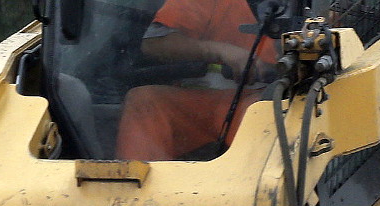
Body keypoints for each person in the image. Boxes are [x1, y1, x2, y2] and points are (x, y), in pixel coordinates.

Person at [116, 0, 277, 161]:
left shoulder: (292, 9)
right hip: (196, 101)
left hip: (260, 101)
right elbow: (154, 43)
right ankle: (132, 175)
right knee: (144, 100)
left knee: (263, 113)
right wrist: (219, 51)